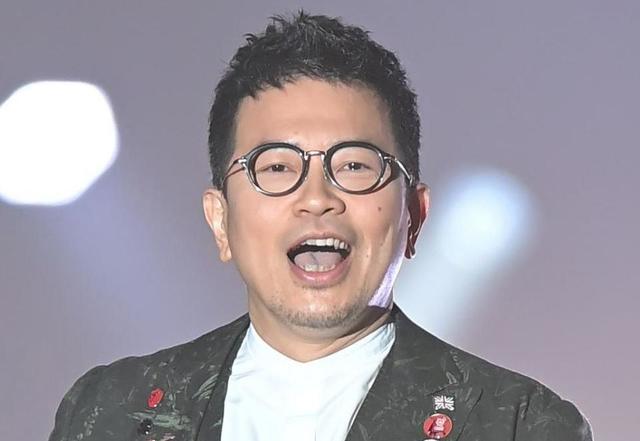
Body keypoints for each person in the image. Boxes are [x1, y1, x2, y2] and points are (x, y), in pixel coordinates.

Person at [48, 11, 592, 441]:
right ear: (220, 220)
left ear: (414, 217)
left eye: (354, 166)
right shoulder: (109, 410)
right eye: (276, 168)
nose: (316, 199)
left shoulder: (519, 423)